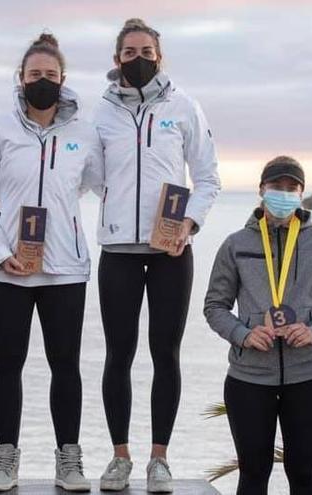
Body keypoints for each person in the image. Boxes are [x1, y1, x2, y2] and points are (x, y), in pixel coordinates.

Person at [0, 33, 103, 492]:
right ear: (20, 79)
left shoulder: (84, 131)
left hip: (65, 268)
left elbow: (100, 184)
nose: (42, 81)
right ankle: (5, 462)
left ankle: (70, 461)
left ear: (63, 80)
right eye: (34, 75)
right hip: (7, 270)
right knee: (8, 363)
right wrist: (0, 251)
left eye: (50, 75)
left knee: (66, 364)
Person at [94, 18, 221, 493]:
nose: (139, 58)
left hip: (172, 251)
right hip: (118, 251)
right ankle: (120, 456)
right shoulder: (100, 113)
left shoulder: (184, 106)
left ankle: (160, 460)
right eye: (129, 51)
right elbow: (82, 174)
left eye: (146, 50)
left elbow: (208, 178)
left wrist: (189, 223)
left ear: (159, 56)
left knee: (165, 353)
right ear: (117, 60)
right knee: (118, 355)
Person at [204, 157, 312, 495]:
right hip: (248, 380)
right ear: (261, 191)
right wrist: (244, 334)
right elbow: (214, 306)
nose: (283, 194)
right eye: (276, 188)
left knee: (305, 476)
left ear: (301, 194)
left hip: (308, 377)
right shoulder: (236, 244)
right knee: (253, 475)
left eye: (291, 188)